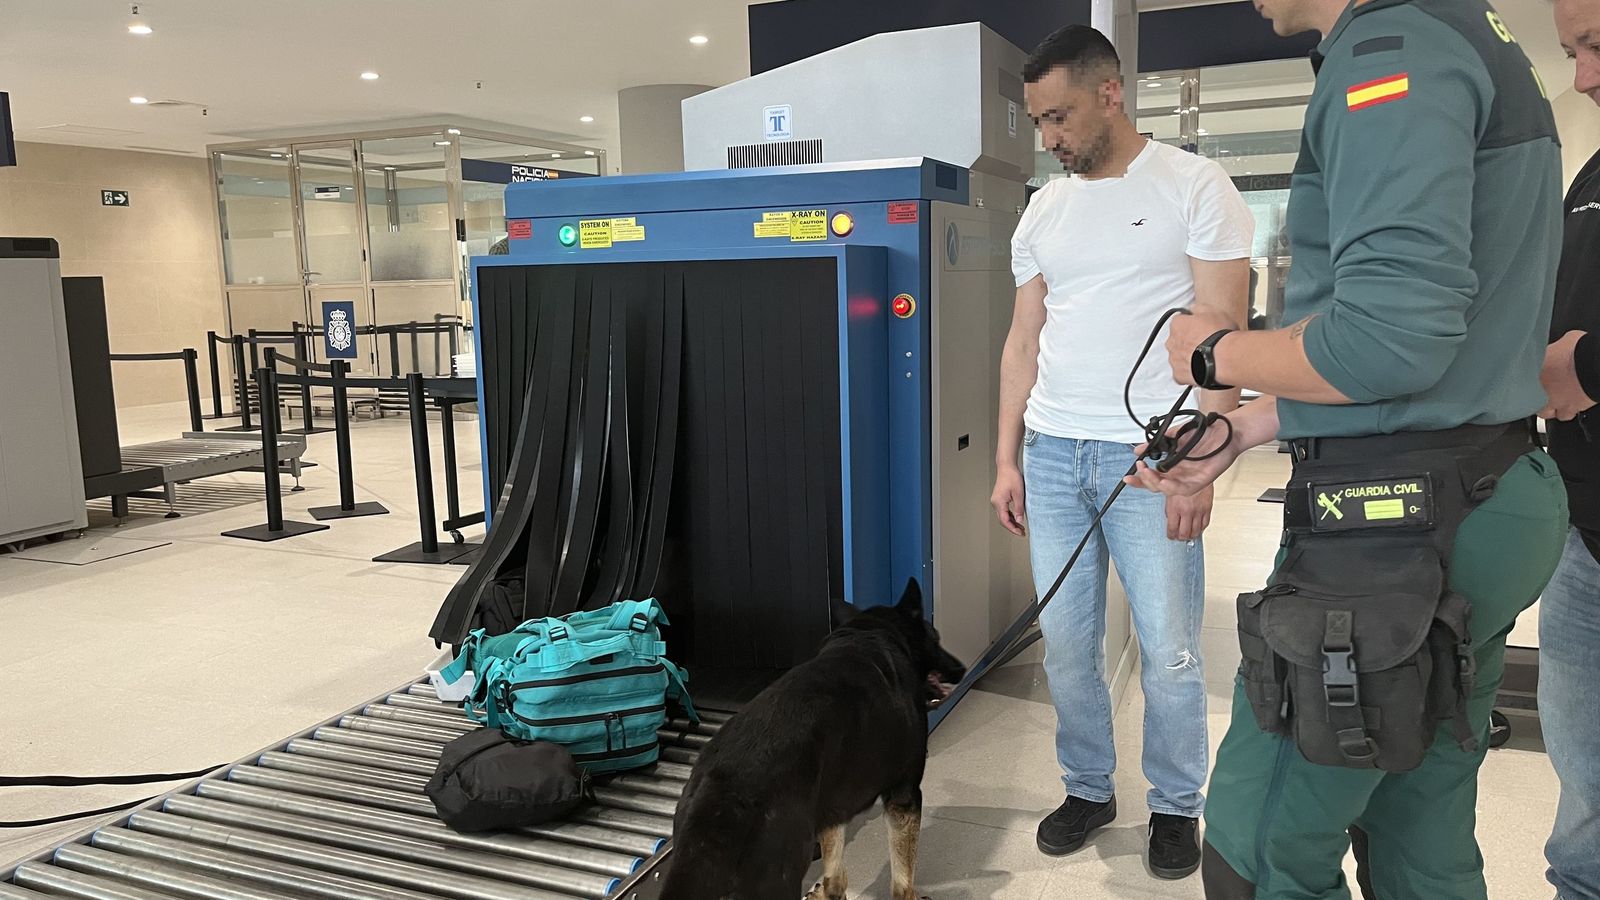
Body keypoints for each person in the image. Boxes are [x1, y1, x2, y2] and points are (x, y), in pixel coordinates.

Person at [1125, 0, 1569, 897]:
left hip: (1402, 532)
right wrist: (1247, 424)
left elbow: (1388, 342)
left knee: (1256, 844)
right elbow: (1439, 357)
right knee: (1417, 831)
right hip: (1478, 494)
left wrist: (1216, 351)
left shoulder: (1390, 49)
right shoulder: (1466, 33)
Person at [992, 24, 1254, 880]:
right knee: (1067, 644)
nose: (1049, 138)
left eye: (1059, 116)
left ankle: (1177, 805)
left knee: (1171, 647)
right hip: (1054, 452)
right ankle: (1089, 787)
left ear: (1110, 93)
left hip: (1152, 455)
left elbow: (1224, 330)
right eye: (1038, 121)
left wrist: (1202, 460)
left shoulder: (1194, 185)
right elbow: (1023, 339)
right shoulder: (1044, 206)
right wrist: (1007, 457)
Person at [1539, 1, 1600, 896]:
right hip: (1582, 529)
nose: (1583, 76)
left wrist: (1584, 364)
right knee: (1584, 776)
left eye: (1594, 45)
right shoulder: (1588, 174)